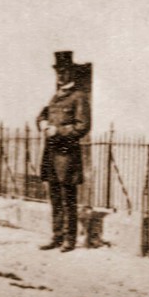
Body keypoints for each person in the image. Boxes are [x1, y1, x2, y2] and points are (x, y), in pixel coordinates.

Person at [36, 51, 90, 253]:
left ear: (71, 73)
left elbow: (82, 126)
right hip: (51, 154)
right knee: (55, 198)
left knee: (68, 198)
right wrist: (42, 122)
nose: (60, 75)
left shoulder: (78, 97)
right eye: (58, 71)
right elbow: (43, 115)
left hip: (67, 155)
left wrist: (58, 131)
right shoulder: (55, 96)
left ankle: (69, 239)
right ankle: (56, 236)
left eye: (64, 71)